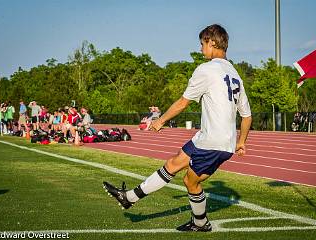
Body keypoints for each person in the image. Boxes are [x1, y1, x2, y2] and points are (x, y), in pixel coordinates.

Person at [103, 24, 252, 232]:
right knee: (173, 163)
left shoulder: (207, 69)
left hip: (211, 141)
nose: (201, 49)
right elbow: (247, 116)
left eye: (202, 44)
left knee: (190, 182)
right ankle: (129, 198)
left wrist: (160, 121)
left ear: (212, 42)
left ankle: (200, 223)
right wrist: (241, 142)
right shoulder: (235, 74)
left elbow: (183, 102)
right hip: (217, 140)